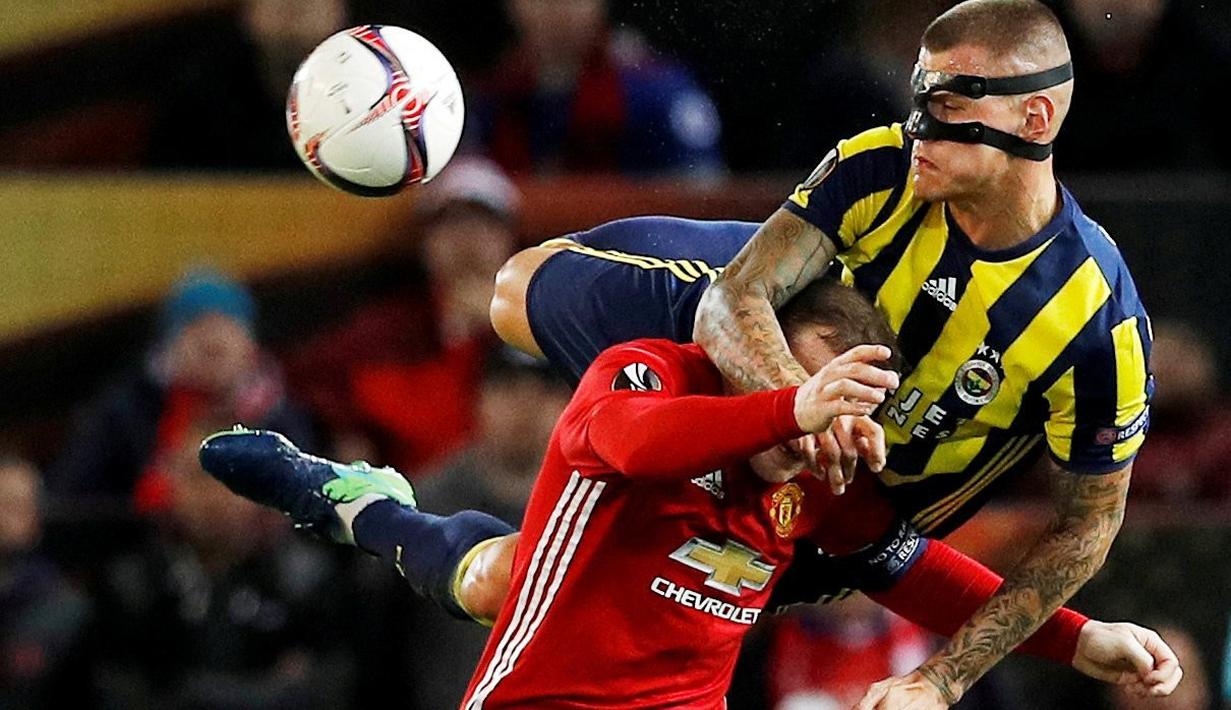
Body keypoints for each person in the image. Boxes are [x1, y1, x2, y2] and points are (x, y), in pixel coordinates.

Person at [491, 1, 1153, 705]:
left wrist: (943, 677)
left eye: (951, 104)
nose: (919, 125)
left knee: (505, 578)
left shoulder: (1098, 332)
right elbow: (732, 300)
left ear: (1035, 120)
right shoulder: (882, 164)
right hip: (776, 382)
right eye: (917, 95)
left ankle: (386, 522)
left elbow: (1087, 525)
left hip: (848, 505)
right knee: (513, 290)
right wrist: (796, 406)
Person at [199, 280, 1179, 708]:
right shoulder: (652, 375)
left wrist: (1075, 633)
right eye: (811, 386)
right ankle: (362, 502)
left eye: (844, 407)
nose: (823, 428)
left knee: (508, 572)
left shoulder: (818, 476)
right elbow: (619, 443)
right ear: (757, 360)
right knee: (506, 576)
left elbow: (917, 570)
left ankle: (371, 505)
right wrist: (791, 406)